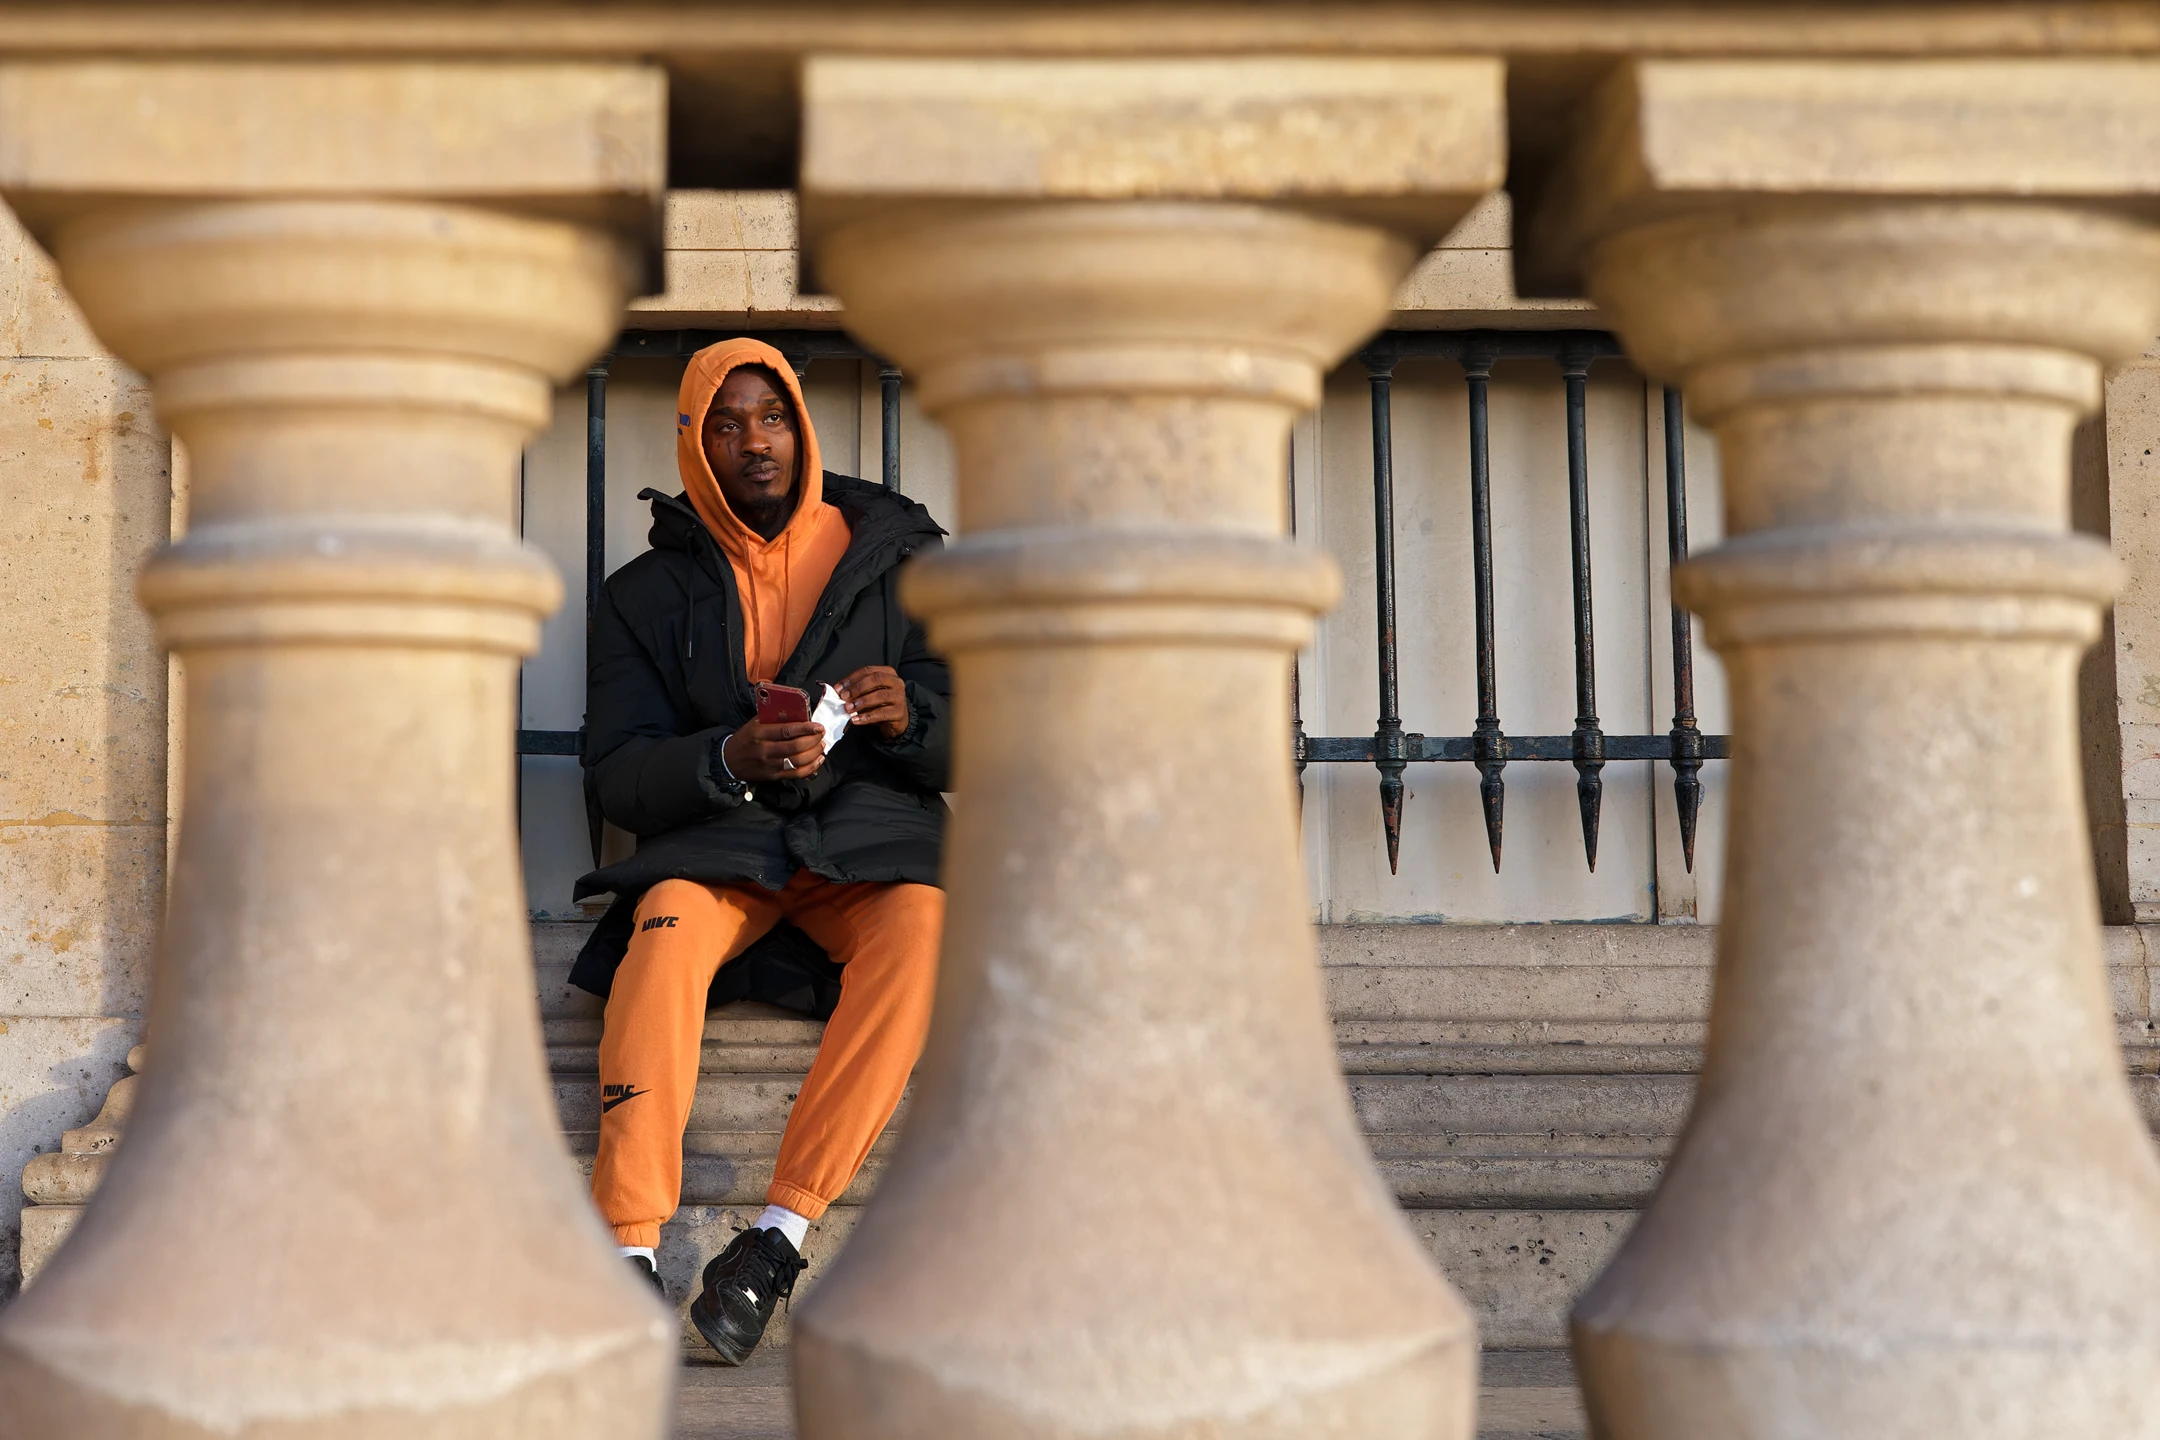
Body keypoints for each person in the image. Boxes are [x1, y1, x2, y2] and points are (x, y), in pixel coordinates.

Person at [566, 337, 949, 1365]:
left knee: (922, 929)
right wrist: (725, 757)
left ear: (802, 429)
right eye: (725, 423)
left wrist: (910, 714)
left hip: (862, 839)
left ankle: (775, 1244)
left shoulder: (902, 562)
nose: (755, 442)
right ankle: (629, 1250)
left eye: (771, 417)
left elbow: (983, 726)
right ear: (696, 443)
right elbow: (616, 774)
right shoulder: (641, 597)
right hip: (723, 843)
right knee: (664, 928)